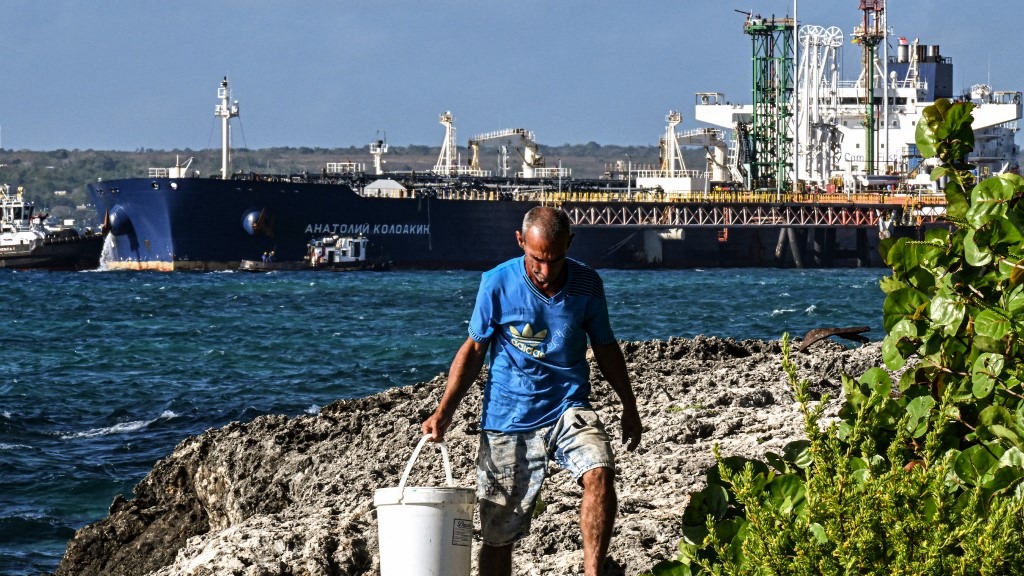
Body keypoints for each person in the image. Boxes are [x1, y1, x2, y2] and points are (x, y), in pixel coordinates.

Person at [422, 206, 643, 576]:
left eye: (555, 260)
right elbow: (474, 350)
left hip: (568, 406)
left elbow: (605, 346)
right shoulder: (496, 282)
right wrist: (444, 411)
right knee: (498, 535)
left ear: (570, 244)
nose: (545, 270)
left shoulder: (588, 284)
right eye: (537, 259)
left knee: (600, 471)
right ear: (520, 241)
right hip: (508, 417)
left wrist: (629, 406)